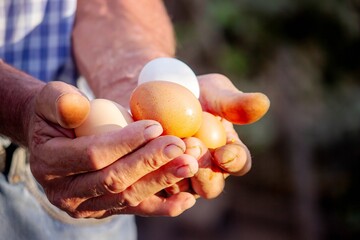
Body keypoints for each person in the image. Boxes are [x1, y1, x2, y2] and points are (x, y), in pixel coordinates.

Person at [0, 0, 270, 239]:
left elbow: (108, 4)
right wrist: (18, 106)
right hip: (70, 148)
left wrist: (131, 74)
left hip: (79, 167)